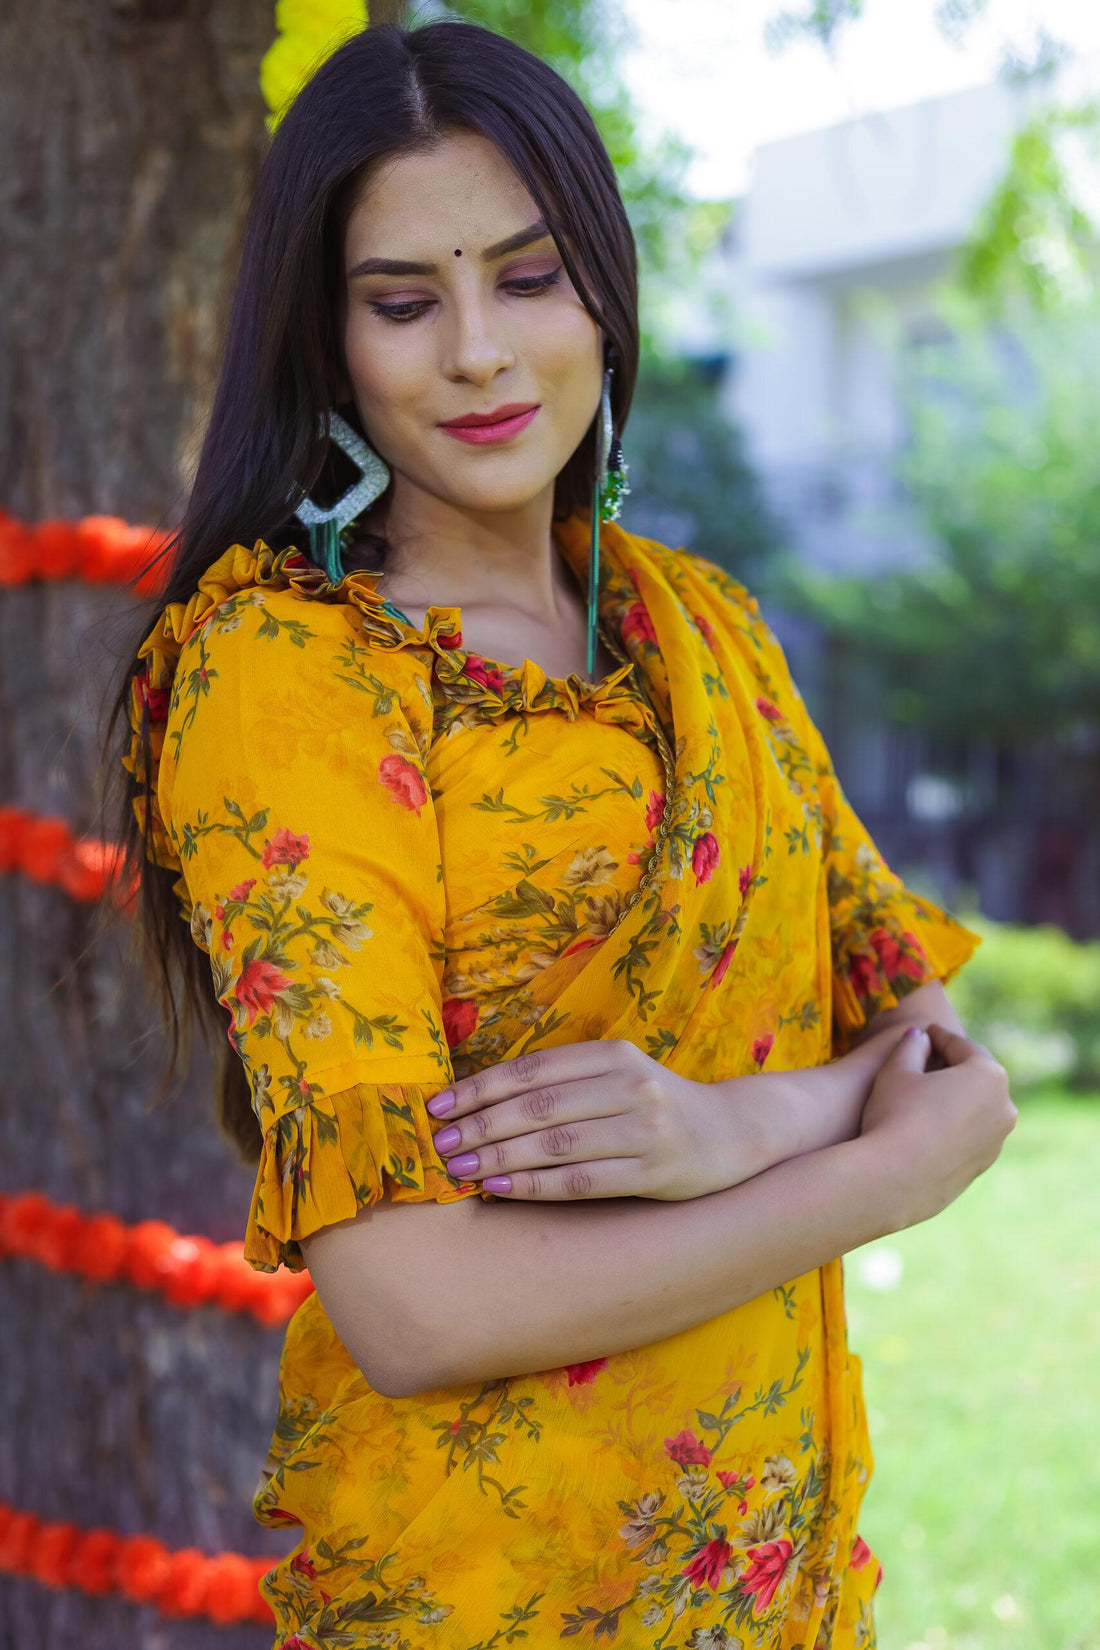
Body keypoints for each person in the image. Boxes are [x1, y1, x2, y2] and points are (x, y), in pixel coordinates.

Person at [112, 19, 1016, 1649]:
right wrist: (872, 1176)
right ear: (327, 341)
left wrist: (732, 1130)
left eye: (529, 279)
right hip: (486, 1591)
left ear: (606, 288)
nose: (477, 352)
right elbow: (416, 1302)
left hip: (774, 1584)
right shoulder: (292, 679)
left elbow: (928, 1046)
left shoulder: (704, 631)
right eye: (404, 301)